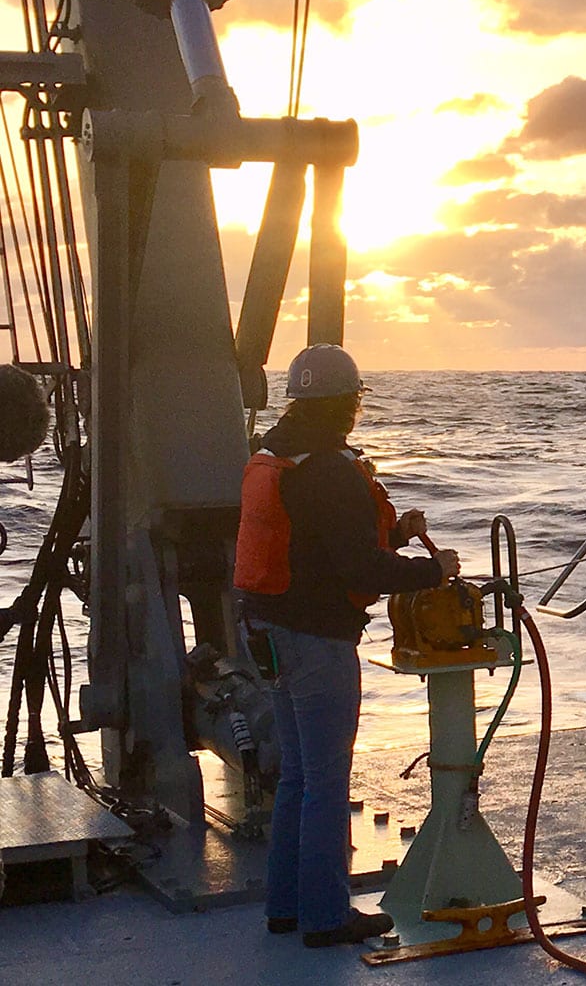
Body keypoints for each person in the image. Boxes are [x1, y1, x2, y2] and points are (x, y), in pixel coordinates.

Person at [235, 344, 457, 948]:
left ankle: (285, 906)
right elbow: (360, 566)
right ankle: (328, 917)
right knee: (327, 781)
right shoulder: (331, 470)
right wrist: (430, 572)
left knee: (297, 777)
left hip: (268, 635)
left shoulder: (278, 453)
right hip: (316, 642)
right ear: (346, 403)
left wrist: (395, 528)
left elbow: (313, 540)